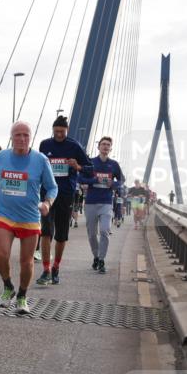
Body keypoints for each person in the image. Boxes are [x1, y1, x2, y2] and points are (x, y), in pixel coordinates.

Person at [0, 121, 57, 315]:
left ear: (31, 137)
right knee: (1, 254)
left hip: (30, 217)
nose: (22, 139)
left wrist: (47, 203)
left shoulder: (40, 160)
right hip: (5, 214)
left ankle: (22, 295)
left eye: (26, 135)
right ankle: (8, 286)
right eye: (18, 135)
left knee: (26, 261)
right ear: (11, 137)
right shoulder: (1, 157)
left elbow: (52, 187)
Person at [35, 115, 92, 286]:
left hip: (66, 194)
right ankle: (46, 270)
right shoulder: (45, 145)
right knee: (46, 231)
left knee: (61, 235)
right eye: (56, 131)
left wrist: (77, 166)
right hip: (47, 194)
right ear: (52, 131)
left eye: (62, 132)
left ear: (67, 131)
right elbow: (39, 167)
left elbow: (90, 169)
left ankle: (56, 267)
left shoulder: (74, 146)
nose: (59, 135)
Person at [77, 136, 124, 274]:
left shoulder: (114, 164)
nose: (105, 146)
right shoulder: (90, 162)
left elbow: (121, 180)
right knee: (92, 234)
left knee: (104, 231)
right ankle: (96, 256)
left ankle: (102, 260)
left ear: (111, 148)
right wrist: (93, 180)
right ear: (98, 147)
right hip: (91, 202)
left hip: (106, 203)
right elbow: (80, 178)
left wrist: (113, 184)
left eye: (108, 145)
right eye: (103, 144)